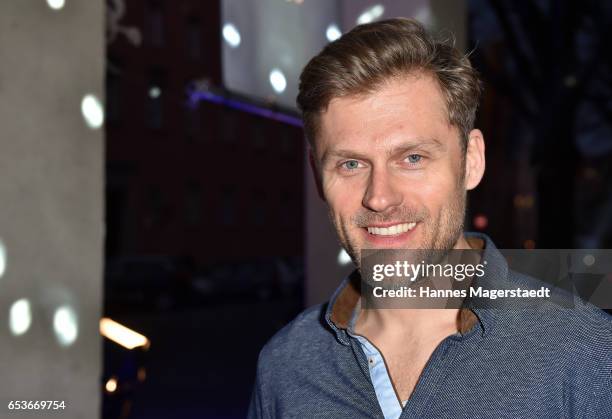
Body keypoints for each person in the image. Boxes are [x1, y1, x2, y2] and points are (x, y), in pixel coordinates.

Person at [248, 18, 611, 418]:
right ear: (319, 177)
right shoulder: (285, 365)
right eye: (351, 164)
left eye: (413, 158)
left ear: (471, 161)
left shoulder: (584, 352)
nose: (380, 197)